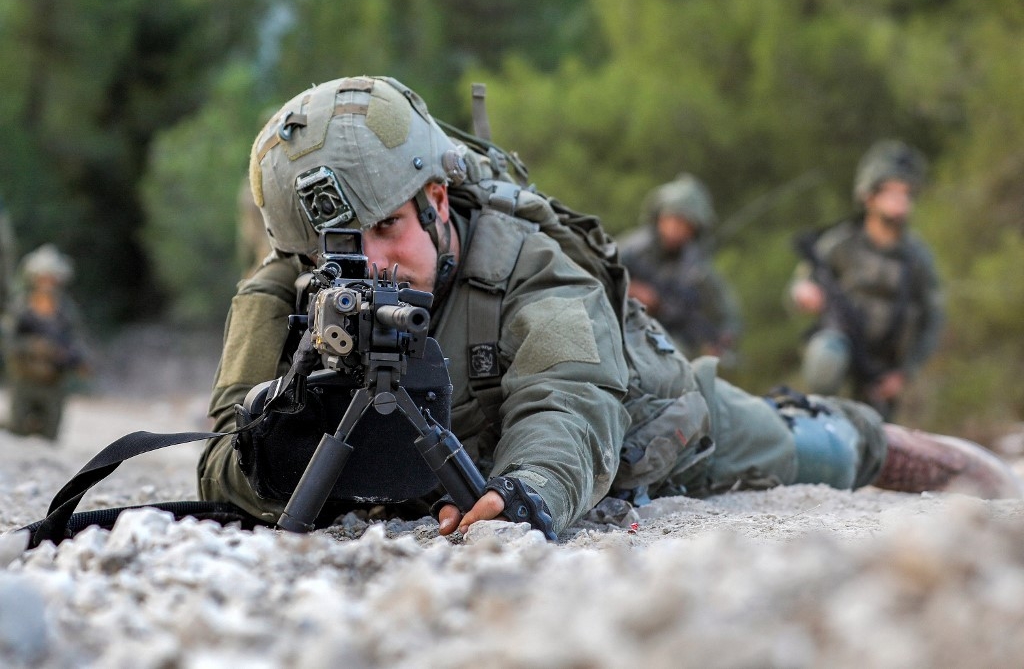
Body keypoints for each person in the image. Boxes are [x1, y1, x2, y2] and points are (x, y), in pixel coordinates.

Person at [198, 77, 1019, 540]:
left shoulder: (526, 262)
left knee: (811, 446)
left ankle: (941, 463)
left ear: (437, 202)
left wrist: (528, 493)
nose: (374, 267)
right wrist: (282, 443)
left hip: (643, 423)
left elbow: (572, 393)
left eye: (388, 229)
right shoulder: (282, 293)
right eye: (342, 251)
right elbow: (221, 458)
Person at [789, 140, 944, 420]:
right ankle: (820, 417)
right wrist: (803, 292)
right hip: (841, 349)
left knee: (877, 441)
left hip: (884, 367)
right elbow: (799, 286)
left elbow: (932, 319)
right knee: (827, 357)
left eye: (906, 192)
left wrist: (904, 373)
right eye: (889, 191)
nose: (899, 200)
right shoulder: (840, 243)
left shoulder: (917, 257)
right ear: (869, 195)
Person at [619, 174, 742, 361]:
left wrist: (722, 340)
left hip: (669, 339)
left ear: (695, 228)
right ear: (659, 218)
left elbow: (727, 312)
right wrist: (629, 289)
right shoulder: (633, 249)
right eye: (672, 218)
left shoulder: (697, 268)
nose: (675, 227)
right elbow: (595, 271)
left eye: (684, 222)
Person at [2, 244, 88, 440]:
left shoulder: (66, 310)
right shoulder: (21, 307)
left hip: (53, 382)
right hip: (25, 379)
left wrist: (74, 359)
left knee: (50, 435)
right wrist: (33, 346)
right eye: (43, 278)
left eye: (52, 278)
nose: (47, 283)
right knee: (17, 430)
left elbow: (77, 341)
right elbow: (9, 342)